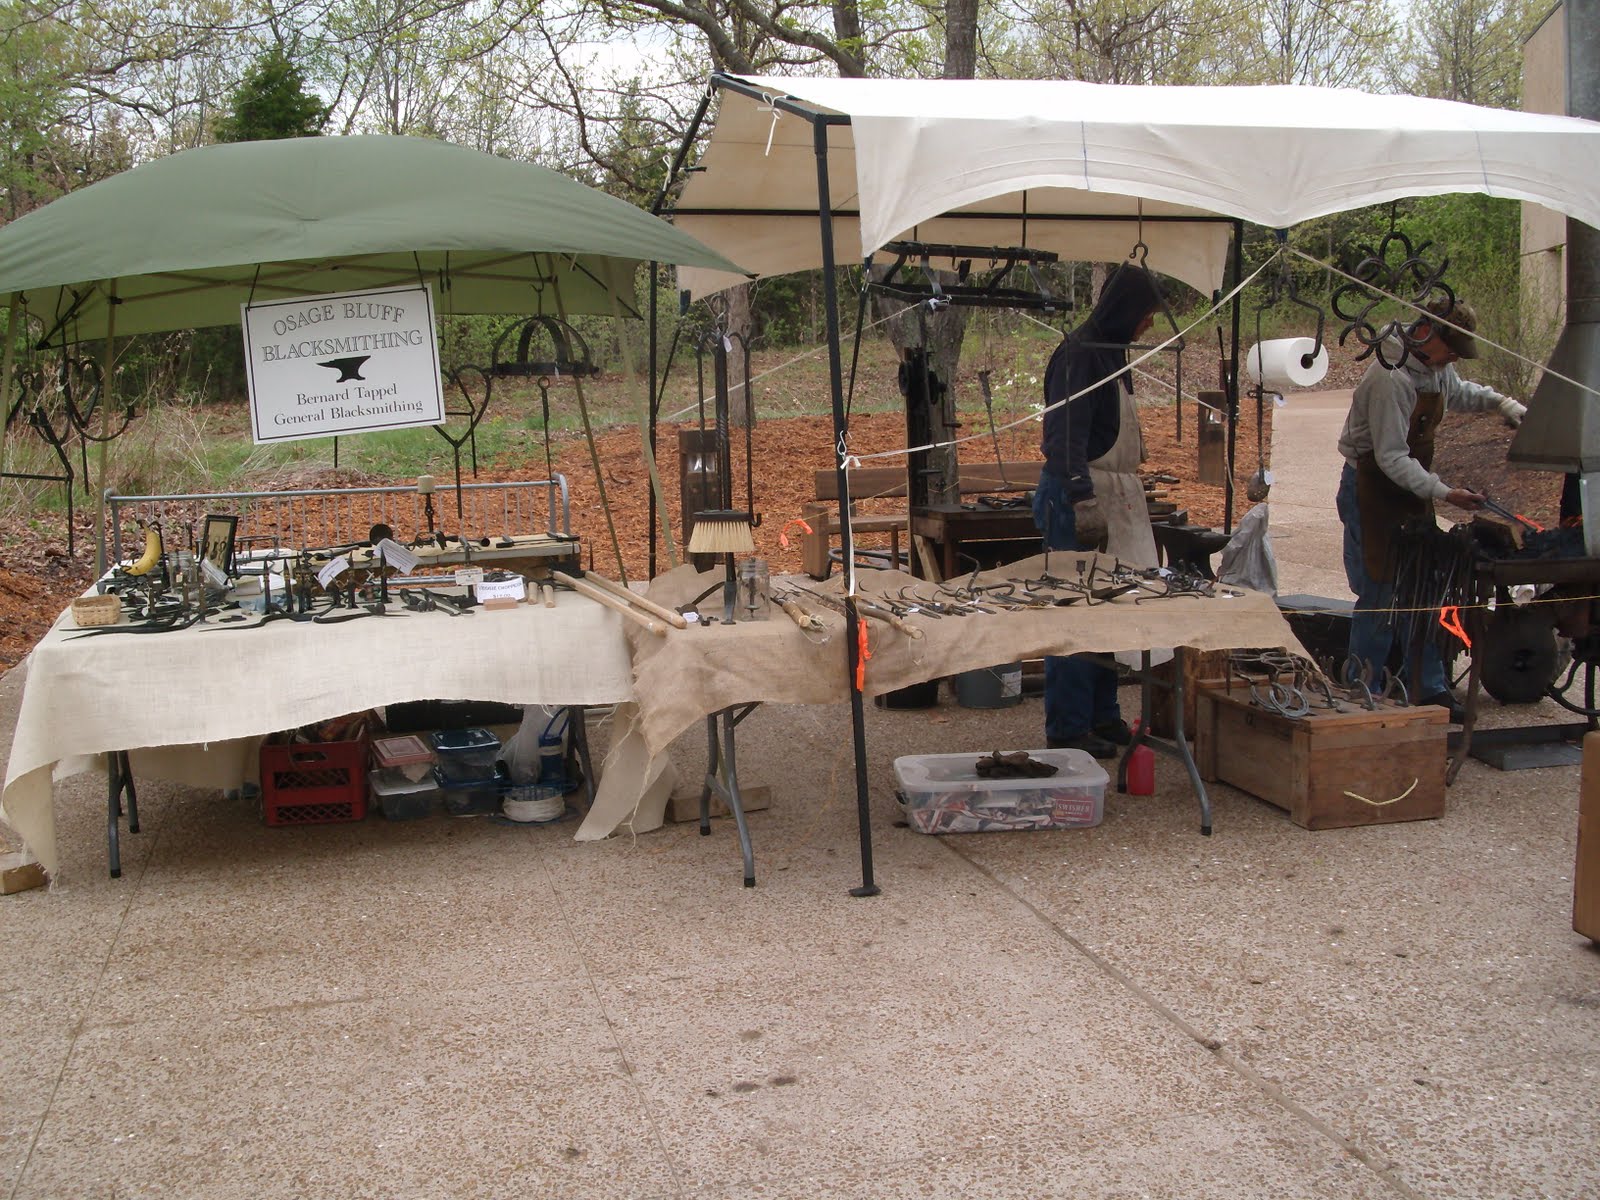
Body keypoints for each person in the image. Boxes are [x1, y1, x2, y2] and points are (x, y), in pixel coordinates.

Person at [1335, 295, 1525, 720]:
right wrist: (1445, 493)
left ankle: (1430, 688)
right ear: (1425, 332)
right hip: (1371, 489)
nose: (1454, 358)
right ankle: (1361, 693)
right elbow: (1390, 458)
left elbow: (1458, 393)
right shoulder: (1391, 377)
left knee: (1423, 587)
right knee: (1381, 593)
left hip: (1410, 489)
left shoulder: (1435, 366)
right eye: (1452, 349)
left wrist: (1500, 403)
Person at [1033, 262, 1166, 758]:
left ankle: (1102, 716)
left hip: (1110, 491)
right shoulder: (1079, 355)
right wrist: (1081, 496)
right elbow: (1062, 435)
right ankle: (1067, 728)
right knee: (1073, 616)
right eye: (1146, 314)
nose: (1148, 324)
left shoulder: (1111, 354)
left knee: (1108, 610)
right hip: (1078, 495)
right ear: (1126, 309)